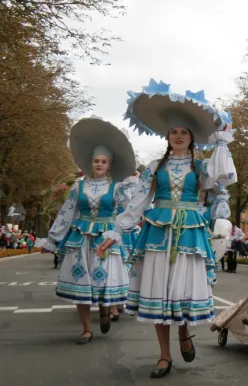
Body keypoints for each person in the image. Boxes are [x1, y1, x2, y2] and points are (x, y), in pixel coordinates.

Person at [97, 80, 236, 378]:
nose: (178, 136)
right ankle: (163, 356)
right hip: (158, 235)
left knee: (181, 293)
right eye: (173, 132)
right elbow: (137, 203)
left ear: (192, 136)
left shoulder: (200, 168)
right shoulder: (153, 167)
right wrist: (116, 232)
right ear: (167, 135)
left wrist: (222, 142)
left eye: (183, 132)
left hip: (188, 233)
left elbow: (223, 179)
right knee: (158, 293)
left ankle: (184, 334)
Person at [42, 117, 137, 344]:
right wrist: (53, 239)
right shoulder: (79, 186)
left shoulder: (117, 188)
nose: (99, 165)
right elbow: (66, 212)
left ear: (109, 165)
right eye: (96, 161)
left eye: (103, 161)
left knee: (104, 280)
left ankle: (106, 310)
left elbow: (130, 211)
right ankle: (86, 328)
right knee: (80, 282)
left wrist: (134, 189)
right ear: (90, 163)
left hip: (106, 240)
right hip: (81, 238)